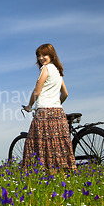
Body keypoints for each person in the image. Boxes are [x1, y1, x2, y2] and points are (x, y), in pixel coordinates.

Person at [21, 44, 77, 172]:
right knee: (58, 146)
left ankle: (39, 173)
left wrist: (29, 106)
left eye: (44, 55)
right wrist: (57, 104)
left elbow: (37, 91)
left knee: (37, 144)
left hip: (44, 112)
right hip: (58, 112)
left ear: (51, 56)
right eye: (39, 56)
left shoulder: (45, 69)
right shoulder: (58, 72)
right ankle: (62, 173)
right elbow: (65, 94)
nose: (41, 58)